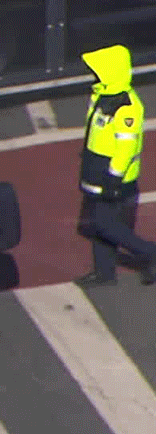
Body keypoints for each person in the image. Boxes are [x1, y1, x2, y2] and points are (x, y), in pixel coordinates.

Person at [74, 44, 156, 287]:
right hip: (96, 170)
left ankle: (149, 252)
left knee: (103, 224)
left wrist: (113, 177)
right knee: (99, 225)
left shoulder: (128, 108)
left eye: (98, 71)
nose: (94, 75)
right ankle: (104, 274)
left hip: (115, 177)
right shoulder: (102, 95)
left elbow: (126, 148)